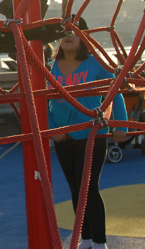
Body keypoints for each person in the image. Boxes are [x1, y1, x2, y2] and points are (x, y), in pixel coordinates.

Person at [49, 18, 127, 249]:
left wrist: (120, 126)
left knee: (88, 189)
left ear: (83, 37)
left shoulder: (95, 63)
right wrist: (54, 128)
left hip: (91, 133)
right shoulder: (51, 67)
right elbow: (45, 102)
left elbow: (116, 92)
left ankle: (100, 242)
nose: (67, 35)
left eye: (72, 31)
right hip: (65, 136)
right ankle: (85, 238)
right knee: (75, 189)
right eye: (63, 32)